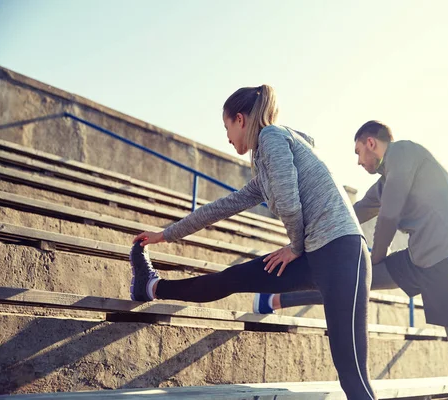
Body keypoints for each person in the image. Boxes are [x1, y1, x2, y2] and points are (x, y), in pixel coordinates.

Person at [129, 85, 377, 400]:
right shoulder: (265, 165)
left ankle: (150, 287)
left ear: (241, 119)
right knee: (232, 278)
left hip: (342, 255)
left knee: (353, 376)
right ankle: (150, 287)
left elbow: (289, 203)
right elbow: (221, 207)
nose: (227, 136)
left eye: (226, 127)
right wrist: (165, 234)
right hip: (317, 255)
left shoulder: (272, 137)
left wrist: (295, 247)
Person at [254, 120, 448, 400]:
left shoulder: (404, 153)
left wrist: (375, 257)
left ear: (371, 143)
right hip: (420, 260)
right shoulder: (384, 183)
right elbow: (352, 212)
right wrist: (303, 240)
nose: (358, 161)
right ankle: (275, 300)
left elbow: (389, 215)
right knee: (346, 282)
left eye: (358, 152)